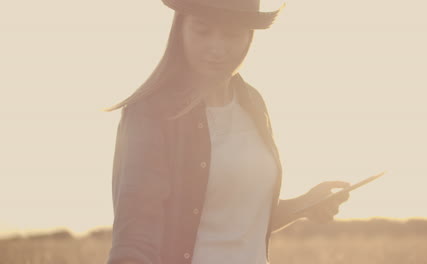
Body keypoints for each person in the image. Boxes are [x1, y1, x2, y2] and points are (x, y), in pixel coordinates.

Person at [102, 0, 351, 263]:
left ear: (249, 36)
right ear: (180, 29)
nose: (216, 48)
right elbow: (135, 239)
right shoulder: (151, 113)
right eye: (202, 31)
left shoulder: (252, 103)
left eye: (232, 34)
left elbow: (238, 221)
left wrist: (303, 204)